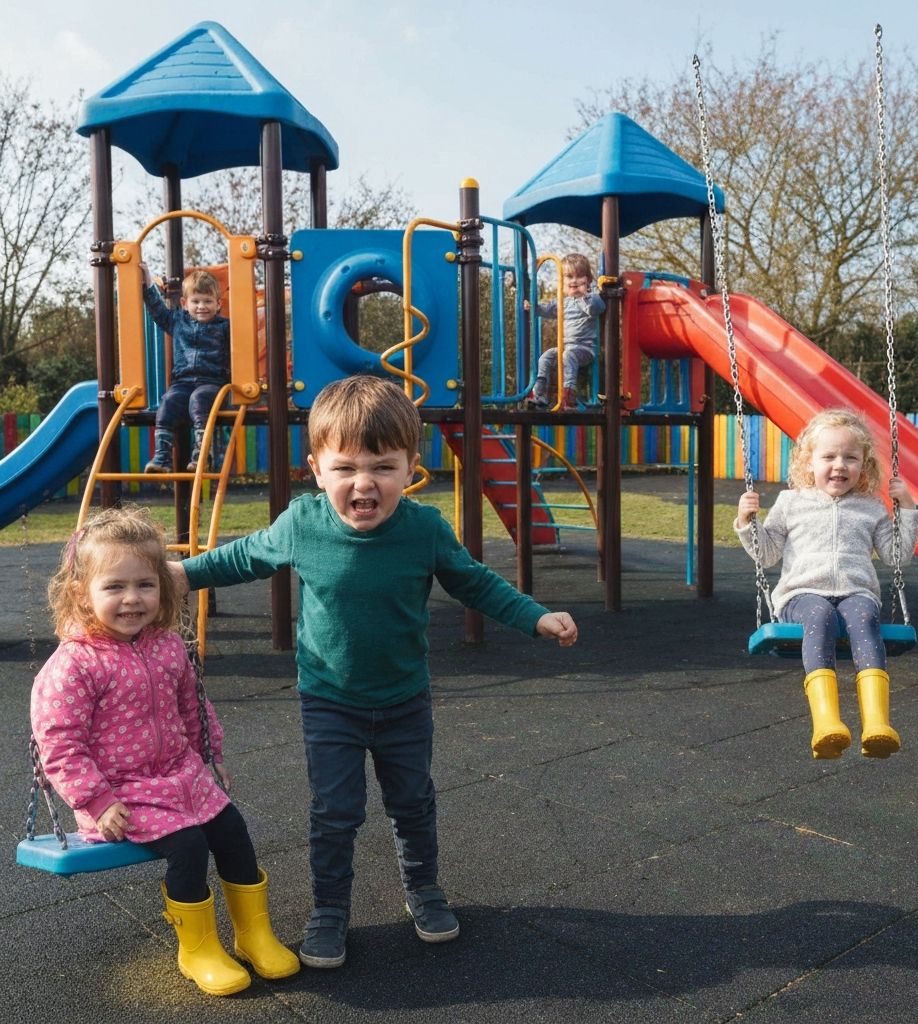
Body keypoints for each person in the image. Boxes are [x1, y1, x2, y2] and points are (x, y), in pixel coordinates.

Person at [168, 374, 579, 970]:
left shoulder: (424, 530)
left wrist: (535, 617)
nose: (364, 483)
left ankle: (425, 889)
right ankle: (329, 909)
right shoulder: (302, 525)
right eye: (346, 469)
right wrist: (185, 574)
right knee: (335, 810)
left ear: (412, 467)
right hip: (329, 700)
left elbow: (475, 582)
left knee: (412, 801)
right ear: (316, 469)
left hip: (404, 699)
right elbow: (245, 555)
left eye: (384, 467)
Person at [30, 506, 299, 997]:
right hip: (123, 797)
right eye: (115, 587)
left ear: (164, 588)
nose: (132, 599)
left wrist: (211, 759)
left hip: (183, 777)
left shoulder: (168, 645)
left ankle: (253, 933)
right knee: (188, 846)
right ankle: (197, 949)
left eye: (145, 585)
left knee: (233, 830)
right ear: (81, 595)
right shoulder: (74, 664)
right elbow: (60, 744)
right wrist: (96, 801)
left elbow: (194, 710)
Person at [734, 408, 918, 760]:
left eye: (850, 458)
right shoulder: (791, 503)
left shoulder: (871, 507)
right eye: (829, 457)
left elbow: (896, 556)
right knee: (818, 616)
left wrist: (907, 509)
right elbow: (769, 553)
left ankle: (877, 724)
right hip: (801, 595)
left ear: (864, 465)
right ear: (809, 462)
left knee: (866, 618)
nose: (839, 465)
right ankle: (826, 723)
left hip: (855, 592)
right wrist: (748, 522)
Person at [141, 266, 231, 473]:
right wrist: (146, 281)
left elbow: (240, 348)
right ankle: (162, 458)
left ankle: (202, 455)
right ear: (184, 303)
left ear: (218, 304)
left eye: (208, 301)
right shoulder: (177, 321)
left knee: (198, 401)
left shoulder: (225, 327)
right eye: (196, 301)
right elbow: (156, 308)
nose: (202, 306)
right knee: (168, 402)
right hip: (182, 383)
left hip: (212, 383)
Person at [527, 252, 605, 410]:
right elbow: (546, 310)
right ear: (563, 282)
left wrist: (584, 295)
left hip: (586, 349)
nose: (574, 280)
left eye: (579, 276)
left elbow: (596, 309)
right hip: (566, 348)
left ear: (588, 280)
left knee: (568, 355)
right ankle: (539, 395)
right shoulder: (563, 302)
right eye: (569, 277)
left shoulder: (592, 297)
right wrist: (532, 308)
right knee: (545, 358)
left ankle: (568, 398)